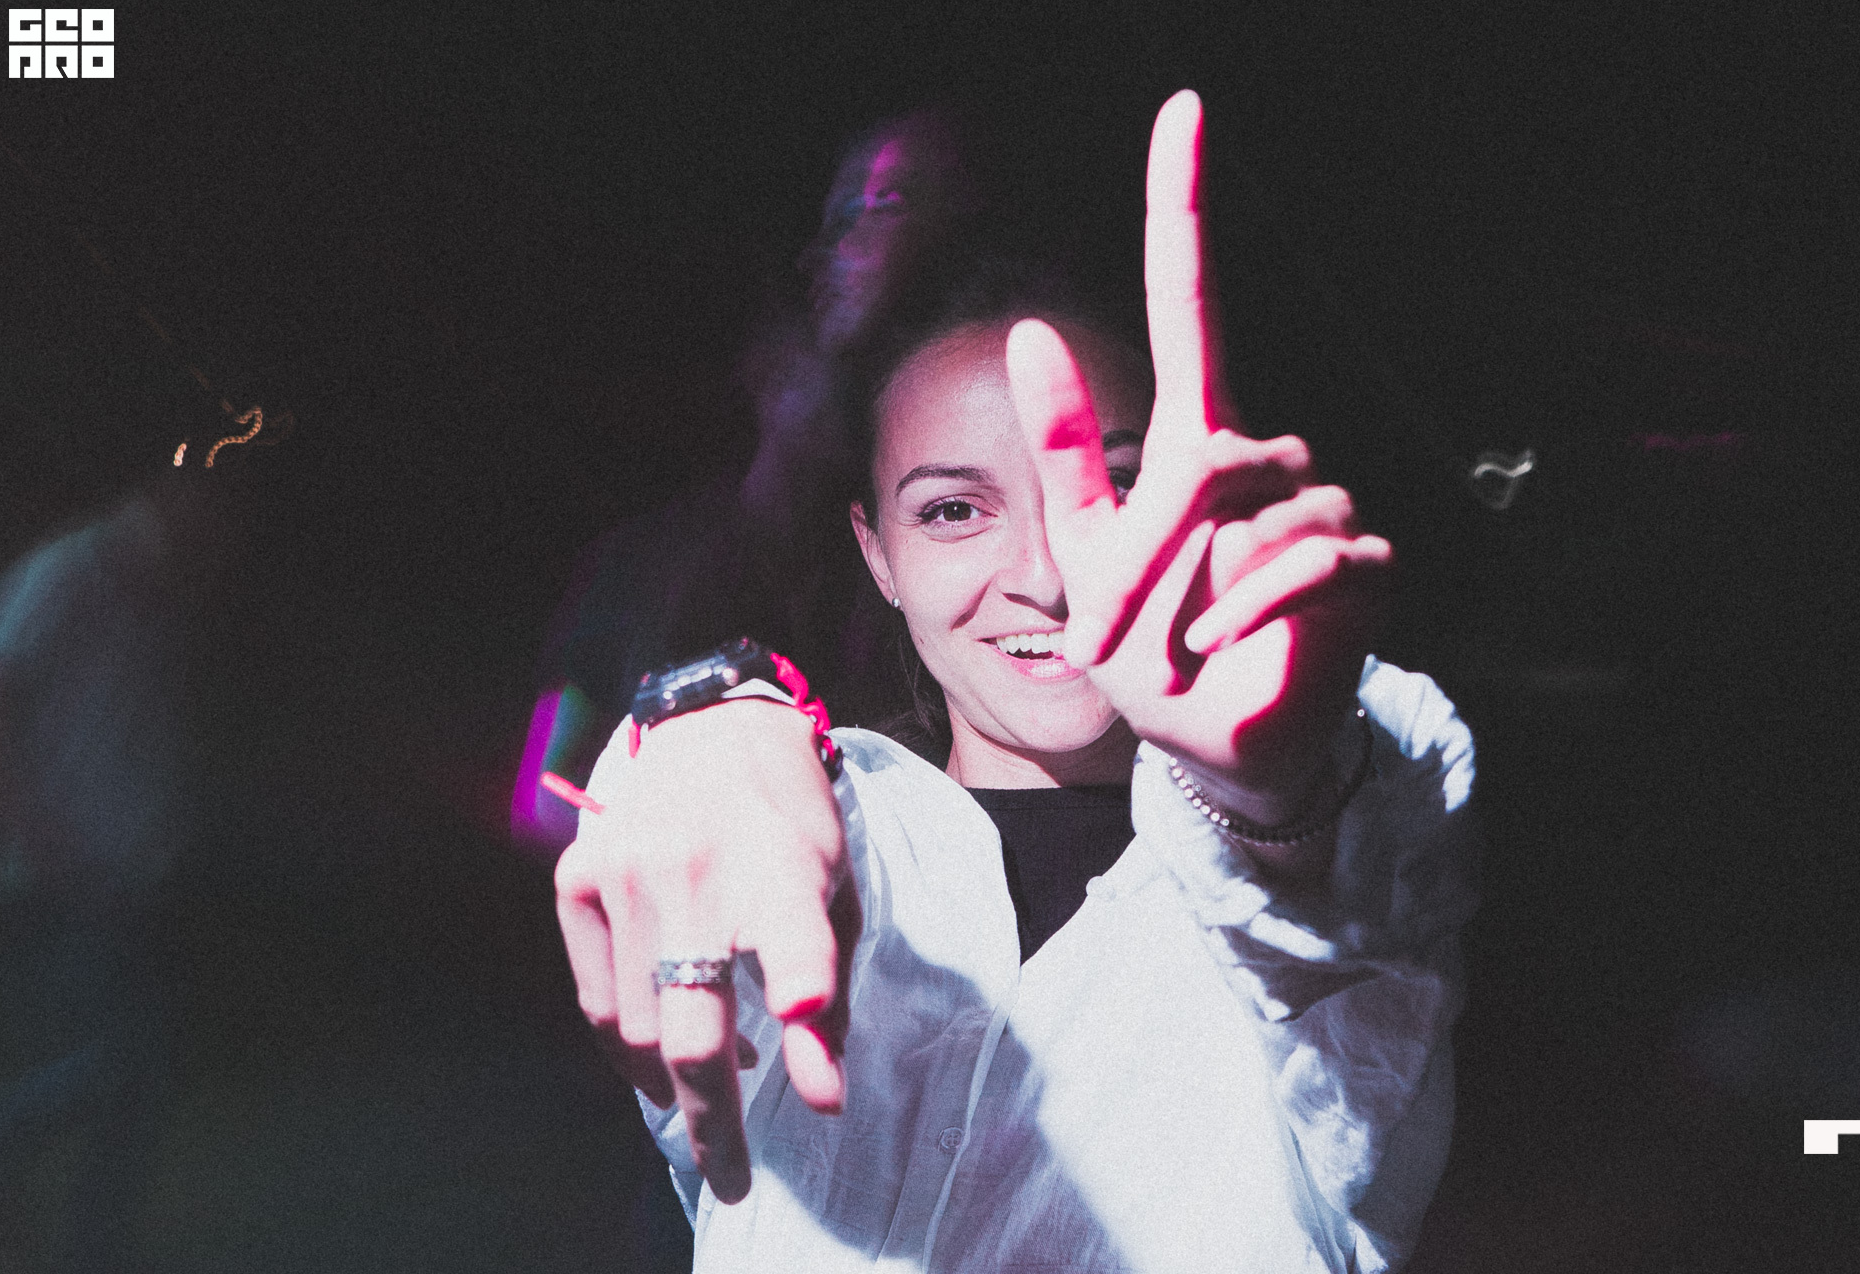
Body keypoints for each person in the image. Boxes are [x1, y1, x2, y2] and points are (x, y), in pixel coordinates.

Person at [553, 92, 1478, 1272]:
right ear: (878, 555)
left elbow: (1346, 878)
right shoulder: (837, 834)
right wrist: (706, 728)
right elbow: (699, 828)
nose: (1043, 576)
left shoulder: (1359, 823)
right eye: (954, 509)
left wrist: (1275, 787)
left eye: (1110, 486)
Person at [511, 110, 983, 860]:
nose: (837, 252)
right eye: (843, 215)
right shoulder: (648, 565)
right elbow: (545, 793)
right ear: (762, 368)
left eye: (886, 205)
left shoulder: (936, 572)